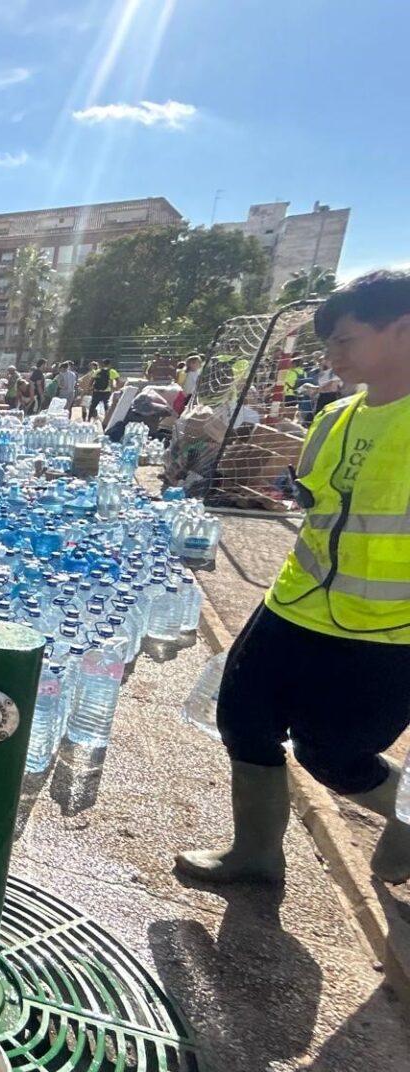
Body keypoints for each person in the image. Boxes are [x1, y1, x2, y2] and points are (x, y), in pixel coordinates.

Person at [176, 270, 410, 888]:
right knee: (242, 718)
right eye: (328, 339)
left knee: (331, 753)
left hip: (386, 632)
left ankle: (407, 812)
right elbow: (311, 505)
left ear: (404, 331)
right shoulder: (335, 418)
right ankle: (255, 853)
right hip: (294, 605)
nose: (331, 353)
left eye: (347, 339)